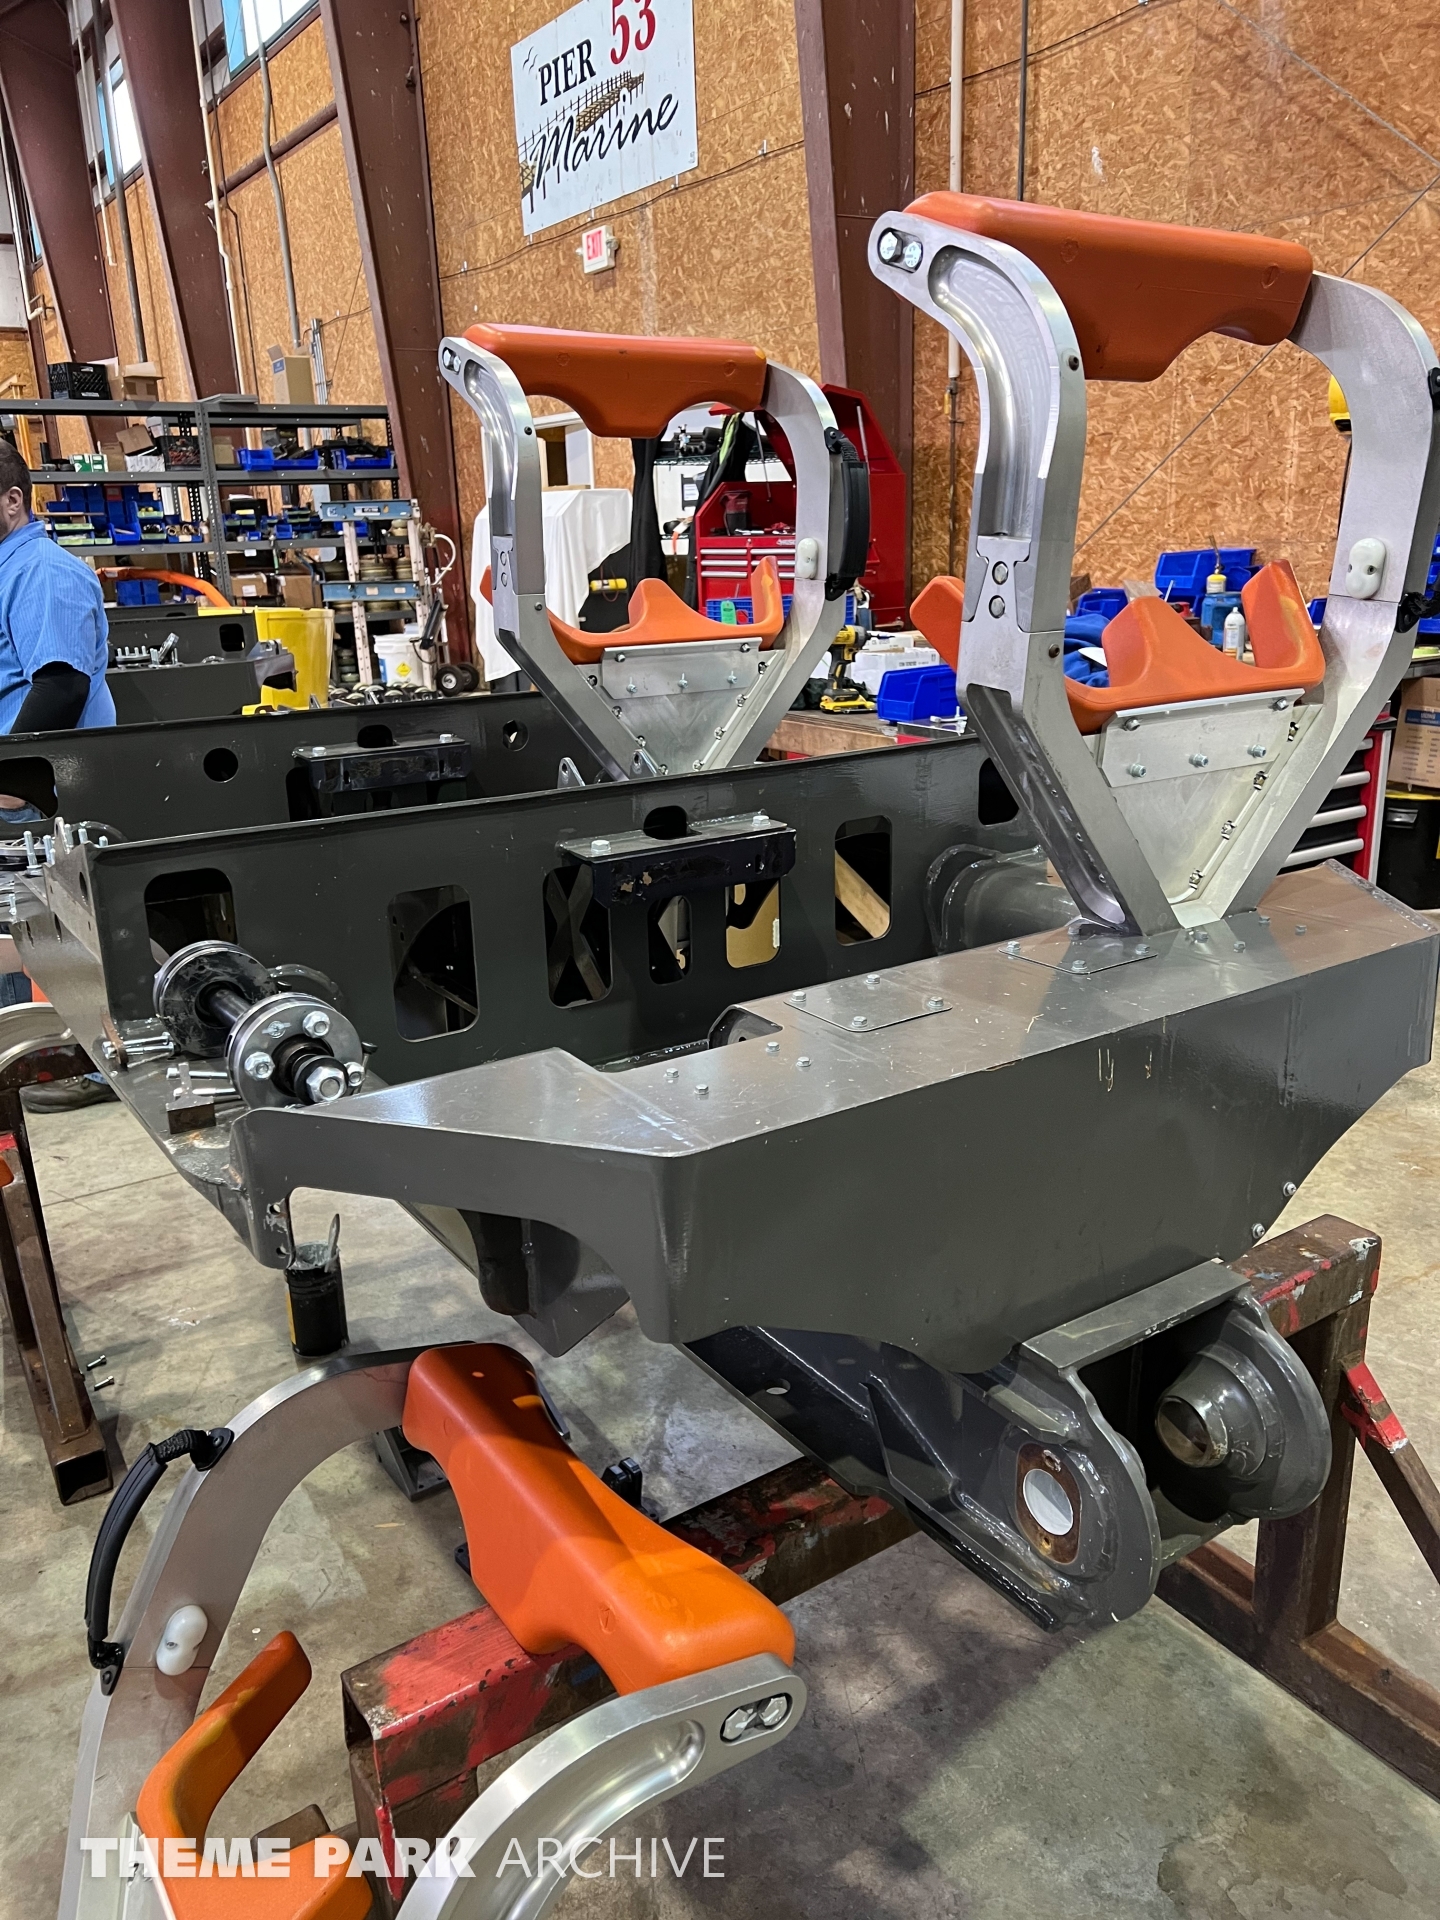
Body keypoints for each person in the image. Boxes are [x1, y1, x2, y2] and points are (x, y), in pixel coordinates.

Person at [0, 438, 117, 1107]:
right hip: (20, 796)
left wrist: (12, 782)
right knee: (28, 930)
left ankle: (106, 1060)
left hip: (39, 796)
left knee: (76, 930)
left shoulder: (43, 572)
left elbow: (61, 686)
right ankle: (21, 1053)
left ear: (13, 500)